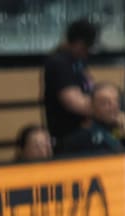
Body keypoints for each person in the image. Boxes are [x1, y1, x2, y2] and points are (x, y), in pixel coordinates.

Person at [42, 18, 98, 149]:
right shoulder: (59, 63)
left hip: (84, 131)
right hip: (68, 136)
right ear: (79, 43)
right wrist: (102, 110)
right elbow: (73, 102)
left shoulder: (77, 61)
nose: (87, 53)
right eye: (86, 48)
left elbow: (91, 87)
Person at [56, 82, 125, 156]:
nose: (114, 107)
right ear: (92, 106)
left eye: (116, 101)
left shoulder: (119, 128)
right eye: (105, 102)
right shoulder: (80, 139)